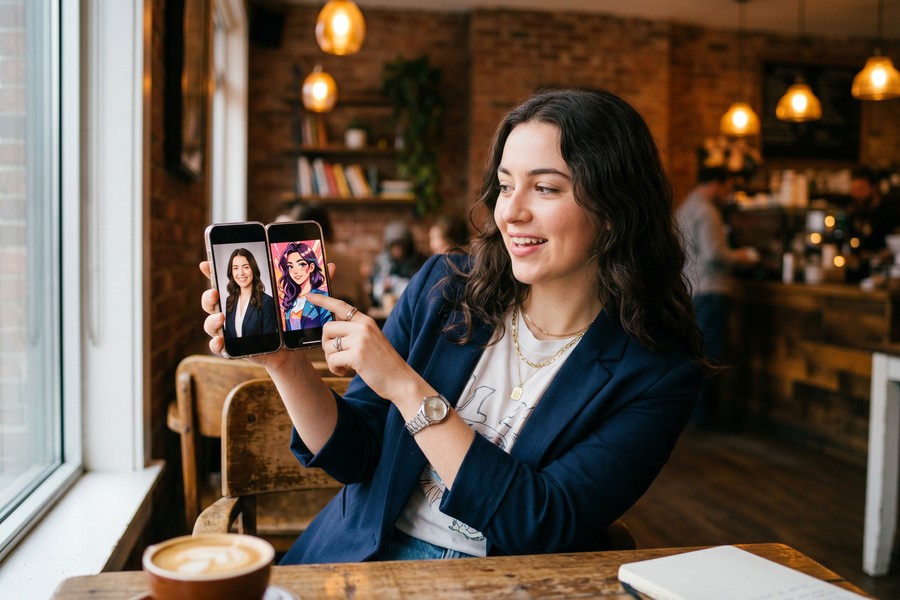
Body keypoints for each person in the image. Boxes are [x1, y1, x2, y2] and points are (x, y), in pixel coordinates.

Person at [201, 87, 708, 565]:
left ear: (614, 211)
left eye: (546, 187)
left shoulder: (656, 373)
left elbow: (541, 523)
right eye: (506, 185)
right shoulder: (444, 290)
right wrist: (286, 366)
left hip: (505, 582)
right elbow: (355, 458)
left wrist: (405, 386)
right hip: (360, 560)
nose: (511, 210)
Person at [676, 165, 758, 428]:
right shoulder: (708, 211)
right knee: (710, 355)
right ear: (716, 184)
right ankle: (704, 417)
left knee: (695, 352)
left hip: (689, 289)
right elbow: (714, 255)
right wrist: (743, 256)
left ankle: (691, 413)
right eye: (728, 187)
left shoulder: (684, 209)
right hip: (711, 289)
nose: (728, 193)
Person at [278, 202, 369, 313]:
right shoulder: (352, 263)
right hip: (347, 327)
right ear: (329, 228)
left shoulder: (287, 263)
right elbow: (365, 306)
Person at [369, 220, 426, 308]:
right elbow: (373, 288)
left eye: (401, 244)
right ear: (388, 246)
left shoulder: (418, 261)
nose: (398, 249)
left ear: (408, 244)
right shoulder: (382, 261)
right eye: (394, 244)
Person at [222, 247, 277, 338]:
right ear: (231, 272)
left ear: (253, 270)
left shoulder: (267, 302)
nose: (241, 273)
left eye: (246, 267)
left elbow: (270, 340)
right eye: (235, 268)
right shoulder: (230, 300)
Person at [277, 241, 332, 330]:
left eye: (301, 264)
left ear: (311, 267)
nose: (295, 271)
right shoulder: (290, 301)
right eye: (290, 266)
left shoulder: (323, 297)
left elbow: (329, 328)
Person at [847, 166, 899, 259]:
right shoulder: (854, 212)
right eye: (854, 190)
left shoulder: (890, 212)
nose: (857, 194)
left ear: (873, 188)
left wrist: (883, 254)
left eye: (861, 189)